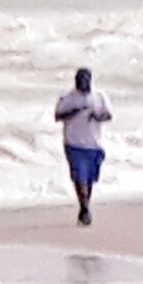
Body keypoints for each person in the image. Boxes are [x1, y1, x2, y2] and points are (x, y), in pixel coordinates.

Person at [53, 65, 112, 227]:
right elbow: (57, 116)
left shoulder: (99, 96)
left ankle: (84, 206)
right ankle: (85, 209)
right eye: (79, 80)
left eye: (85, 80)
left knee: (89, 179)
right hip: (73, 143)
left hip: (94, 144)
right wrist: (75, 112)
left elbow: (108, 115)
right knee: (79, 177)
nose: (82, 83)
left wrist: (97, 116)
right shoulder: (67, 97)